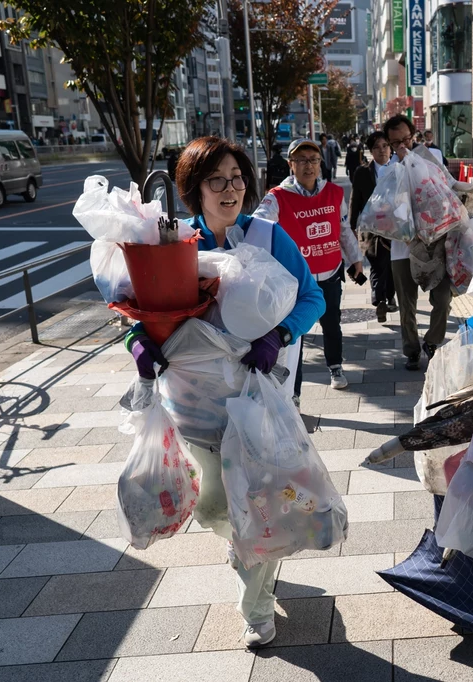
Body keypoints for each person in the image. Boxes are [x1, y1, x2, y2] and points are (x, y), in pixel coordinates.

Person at [124, 136, 326, 649]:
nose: (230, 187)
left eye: (237, 177)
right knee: (214, 509)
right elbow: (133, 307)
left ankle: (256, 608)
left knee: (257, 508)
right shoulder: (171, 244)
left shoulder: (268, 238)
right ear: (193, 190)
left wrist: (277, 336)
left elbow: (313, 296)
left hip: (257, 402)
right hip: (193, 408)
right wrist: (136, 344)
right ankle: (245, 547)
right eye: (216, 179)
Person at [254, 138, 362, 392]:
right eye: (301, 160)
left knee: (332, 324)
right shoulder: (278, 197)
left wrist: (356, 258)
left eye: (313, 160)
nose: (308, 166)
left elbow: (344, 229)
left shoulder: (334, 193)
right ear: (291, 164)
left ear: (320, 162)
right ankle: (294, 391)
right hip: (294, 280)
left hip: (330, 271)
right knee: (293, 334)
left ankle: (335, 367)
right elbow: (258, 225)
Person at [383, 114, 453, 371]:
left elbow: (449, 186)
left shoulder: (432, 156)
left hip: (436, 242)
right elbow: (384, 210)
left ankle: (433, 341)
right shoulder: (388, 169)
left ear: (414, 134)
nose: (402, 146)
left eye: (406, 139)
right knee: (407, 304)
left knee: (443, 298)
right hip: (402, 248)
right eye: (395, 143)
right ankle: (411, 350)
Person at [350, 131, 398, 323]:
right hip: (371, 229)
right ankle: (379, 300)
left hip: (395, 228)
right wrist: (352, 226)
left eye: (385, 146)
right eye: (377, 147)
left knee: (393, 265)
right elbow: (355, 200)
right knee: (378, 264)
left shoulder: (398, 169)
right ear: (371, 151)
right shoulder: (363, 172)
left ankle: (389, 295)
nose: (382, 150)